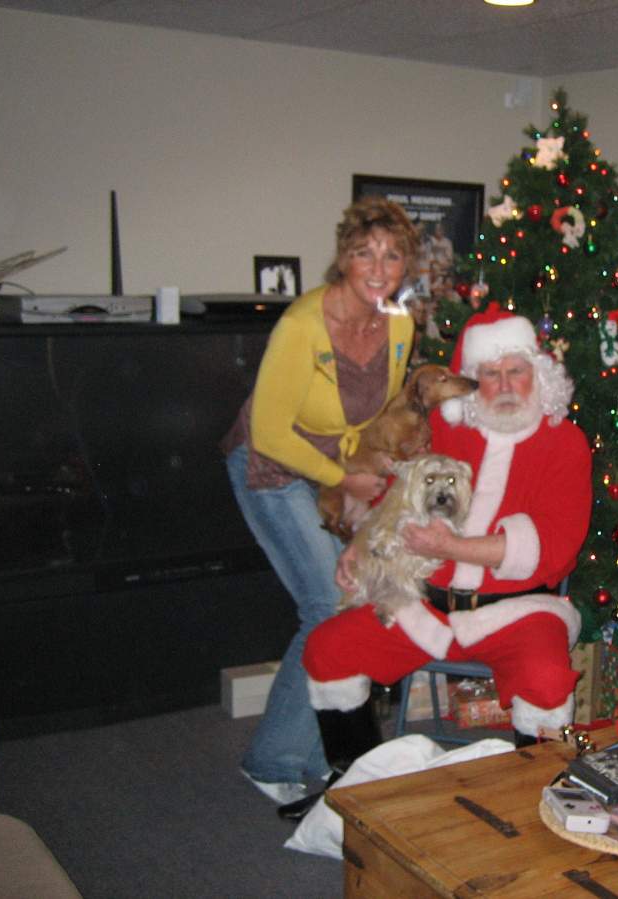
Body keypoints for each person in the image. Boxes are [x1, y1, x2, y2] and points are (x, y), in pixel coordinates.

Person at [301, 302, 592, 768]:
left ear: (537, 375)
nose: (503, 386)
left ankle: (539, 801)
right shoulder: (441, 429)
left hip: (521, 612)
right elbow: (390, 495)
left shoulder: (566, 443)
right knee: (328, 648)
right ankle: (354, 789)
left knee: (547, 679)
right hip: (425, 605)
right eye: (489, 374)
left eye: (515, 371)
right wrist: (359, 546)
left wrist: (452, 547)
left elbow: (554, 546)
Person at [220, 196, 419, 806]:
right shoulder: (303, 325)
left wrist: (376, 464)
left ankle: (314, 754)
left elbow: (381, 409)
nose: (379, 267)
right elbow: (274, 433)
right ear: (344, 259)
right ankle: (271, 758)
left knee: (352, 595)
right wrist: (344, 477)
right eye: (365, 253)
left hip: (338, 472)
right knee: (325, 601)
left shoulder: (400, 323)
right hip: (271, 467)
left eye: (392, 254)